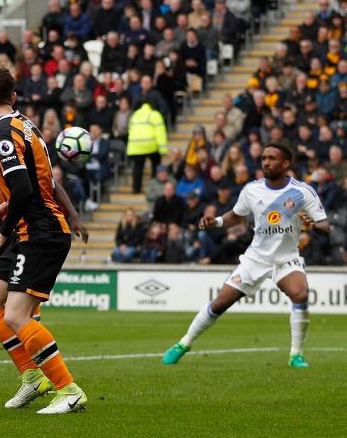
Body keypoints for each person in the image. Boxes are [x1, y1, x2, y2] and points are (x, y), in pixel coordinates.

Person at [0, 67, 88, 414]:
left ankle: (69, 390)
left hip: (40, 232)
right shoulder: (26, 125)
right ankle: (33, 378)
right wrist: (5, 205)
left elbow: (24, 189)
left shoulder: (2, 133)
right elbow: (39, 184)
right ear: (14, 96)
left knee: (17, 316)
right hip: (31, 229)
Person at [163, 143, 331, 368]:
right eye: (263, 158)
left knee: (300, 295)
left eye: (272, 158)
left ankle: (295, 355)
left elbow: (325, 226)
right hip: (256, 258)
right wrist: (217, 221)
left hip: (286, 258)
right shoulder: (252, 189)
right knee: (221, 302)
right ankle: (183, 344)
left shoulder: (303, 191)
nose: (266, 162)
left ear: (285, 163)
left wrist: (313, 226)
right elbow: (236, 215)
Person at [0, 130, 86, 365]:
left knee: (19, 312)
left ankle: (53, 377)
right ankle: (7, 353)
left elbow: (40, 187)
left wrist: (73, 214)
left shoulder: (14, 145)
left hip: (19, 234)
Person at [127, 98, 168, 194]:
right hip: (150, 144)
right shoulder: (155, 114)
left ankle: (136, 189)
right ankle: (155, 189)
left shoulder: (135, 114)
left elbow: (129, 129)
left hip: (135, 145)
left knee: (137, 168)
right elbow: (160, 132)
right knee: (155, 166)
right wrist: (163, 150)